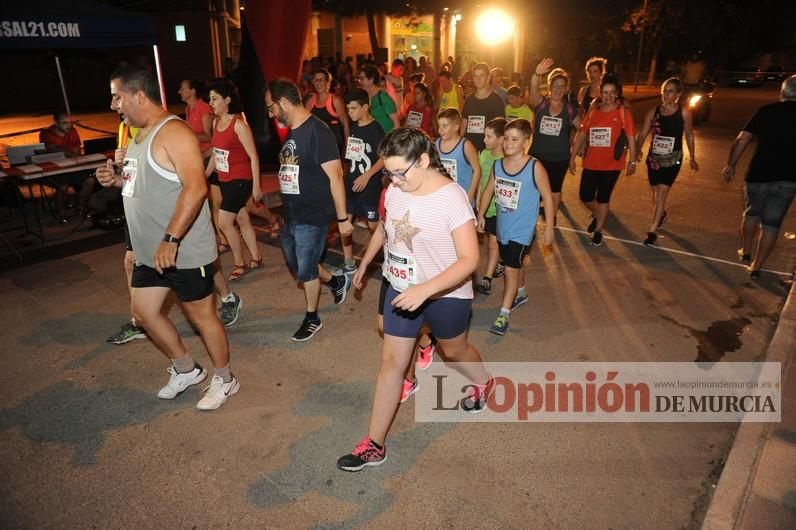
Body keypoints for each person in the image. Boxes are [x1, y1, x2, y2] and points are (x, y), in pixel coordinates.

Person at [337, 127, 493, 472]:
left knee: (455, 351)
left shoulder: (451, 198)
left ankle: (484, 382)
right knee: (391, 364)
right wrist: (365, 261)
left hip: (446, 295)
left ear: (422, 160)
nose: (392, 179)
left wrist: (426, 289)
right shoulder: (396, 189)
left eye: (399, 171)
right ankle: (374, 445)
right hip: (401, 287)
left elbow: (470, 259)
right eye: (388, 171)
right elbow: (385, 228)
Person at [96, 65, 238, 410]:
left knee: (202, 316)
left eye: (118, 97)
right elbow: (142, 186)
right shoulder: (137, 135)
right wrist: (116, 181)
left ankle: (226, 379)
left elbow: (196, 187)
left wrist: (171, 239)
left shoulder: (174, 133)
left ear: (138, 95)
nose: (114, 104)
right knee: (143, 313)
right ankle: (186, 369)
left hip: (183, 248)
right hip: (149, 251)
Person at [265, 78, 354, 341]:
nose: (271, 114)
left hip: (313, 214)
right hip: (291, 211)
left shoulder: (318, 130)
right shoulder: (293, 129)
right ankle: (336, 281)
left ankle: (312, 317)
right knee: (298, 265)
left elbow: (336, 176)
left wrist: (342, 218)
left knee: (306, 269)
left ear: (282, 103)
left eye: (271, 108)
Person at [478, 119, 555, 335]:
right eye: (507, 139)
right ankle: (521, 293)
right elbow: (487, 192)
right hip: (503, 227)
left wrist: (549, 227)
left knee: (510, 270)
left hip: (522, 231)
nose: (509, 143)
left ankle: (503, 315)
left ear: (526, 142)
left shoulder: (534, 167)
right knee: (514, 263)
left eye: (515, 139)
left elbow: (548, 197)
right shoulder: (498, 165)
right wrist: (481, 215)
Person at [721, 75, 796, 280]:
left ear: (782, 92)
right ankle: (756, 267)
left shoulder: (766, 111)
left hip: (758, 174)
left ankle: (745, 251)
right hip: (789, 179)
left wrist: (731, 164)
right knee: (772, 224)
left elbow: (742, 139)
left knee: (752, 213)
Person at [205, 79, 265, 282]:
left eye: (214, 99)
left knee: (224, 222)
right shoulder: (215, 123)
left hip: (241, 179)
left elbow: (254, 156)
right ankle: (256, 257)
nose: (211, 103)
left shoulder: (238, 124)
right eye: (210, 99)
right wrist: (204, 175)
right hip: (225, 179)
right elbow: (216, 153)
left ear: (227, 100)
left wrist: (256, 185)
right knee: (242, 219)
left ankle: (240, 263)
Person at [569, 73, 637, 246]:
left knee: (603, 198)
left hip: (612, 164)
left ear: (617, 93)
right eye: (605, 92)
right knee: (585, 195)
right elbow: (582, 134)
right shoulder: (594, 112)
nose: (608, 96)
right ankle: (599, 214)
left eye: (611, 92)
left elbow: (630, 138)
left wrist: (633, 160)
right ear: (600, 93)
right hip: (591, 161)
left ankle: (598, 230)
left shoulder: (623, 113)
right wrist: (572, 157)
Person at [636, 77, 699, 246]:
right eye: (664, 90)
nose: (666, 94)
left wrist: (692, 157)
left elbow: (689, 135)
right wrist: (637, 151)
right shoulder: (653, 112)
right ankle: (661, 214)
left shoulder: (684, 112)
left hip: (672, 159)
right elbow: (642, 134)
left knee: (662, 192)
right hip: (654, 158)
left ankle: (652, 230)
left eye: (670, 91)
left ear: (678, 94)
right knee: (655, 192)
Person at [106, 121, 147, 345]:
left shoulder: (155, 128)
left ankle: (226, 297)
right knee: (131, 262)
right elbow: (128, 175)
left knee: (186, 265)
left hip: (153, 208)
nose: (114, 104)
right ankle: (139, 321)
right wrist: (117, 172)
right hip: (132, 204)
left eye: (118, 97)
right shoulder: (123, 127)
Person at [529, 58, 581, 225]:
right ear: (550, 87)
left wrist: (574, 148)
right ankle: (530, 217)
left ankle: (552, 218)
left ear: (566, 89)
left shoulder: (570, 109)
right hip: (537, 156)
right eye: (555, 85)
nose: (558, 89)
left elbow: (583, 128)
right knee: (533, 189)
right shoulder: (540, 104)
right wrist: (537, 73)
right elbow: (533, 89)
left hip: (559, 158)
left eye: (562, 86)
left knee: (555, 190)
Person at [341, 88, 386, 273]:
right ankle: (348, 261)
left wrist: (367, 175)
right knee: (344, 222)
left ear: (365, 107)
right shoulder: (354, 127)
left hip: (369, 186)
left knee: (373, 225)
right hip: (351, 183)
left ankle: (386, 254)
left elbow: (384, 157)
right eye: (348, 109)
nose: (349, 112)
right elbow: (351, 155)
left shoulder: (375, 129)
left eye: (353, 108)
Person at [39, 112, 96, 220]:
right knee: (63, 184)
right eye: (64, 123)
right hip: (54, 170)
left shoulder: (72, 131)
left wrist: (64, 152)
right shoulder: (45, 133)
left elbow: (76, 152)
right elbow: (53, 150)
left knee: (90, 180)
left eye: (70, 122)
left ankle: (80, 207)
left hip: (70, 168)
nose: (69, 125)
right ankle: (61, 213)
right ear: (55, 123)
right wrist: (68, 153)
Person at [475, 117, 507, 295]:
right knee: (492, 241)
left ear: (501, 139)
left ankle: (487, 278)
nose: (484, 140)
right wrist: (479, 204)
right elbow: (480, 182)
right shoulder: (484, 155)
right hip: (485, 207)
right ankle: (500, 261)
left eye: (489, 136)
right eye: (484, 136)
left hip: (501, 209)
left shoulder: (506, 159)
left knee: (493, 243)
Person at [435, 108, 481, 204]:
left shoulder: (466, 146)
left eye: (445, 126)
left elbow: (477, 170)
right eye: (439, 126)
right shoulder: (437, 143)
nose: (440, 130)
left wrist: (470, 195)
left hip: (462, 198)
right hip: (444, 198)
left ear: (456, 127)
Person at [461, 62, 505, 152]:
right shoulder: (469, 99)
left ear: (488, 77)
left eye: (481, 76)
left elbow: (499, 128)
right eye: (476, 76)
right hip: (469, 149)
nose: (478, 79)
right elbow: (464, 124)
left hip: (488, 151)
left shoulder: (496, 100)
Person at [306, 68, 350, 154]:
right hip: (316, 143)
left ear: (327, 82)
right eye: (315, 80)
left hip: (333, 144)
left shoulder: (336, 101)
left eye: (321, 80)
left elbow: (346, 124)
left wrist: (347, 146)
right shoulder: (310, 101)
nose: (318, 83)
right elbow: (304, 123)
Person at [357, 65, 400, 134]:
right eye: (359, 78)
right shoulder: (363, 97)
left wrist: (387, 140)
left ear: (371, 80)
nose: (359, 81)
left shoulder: (383, 97)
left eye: (362, 78)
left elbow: (396, 124)